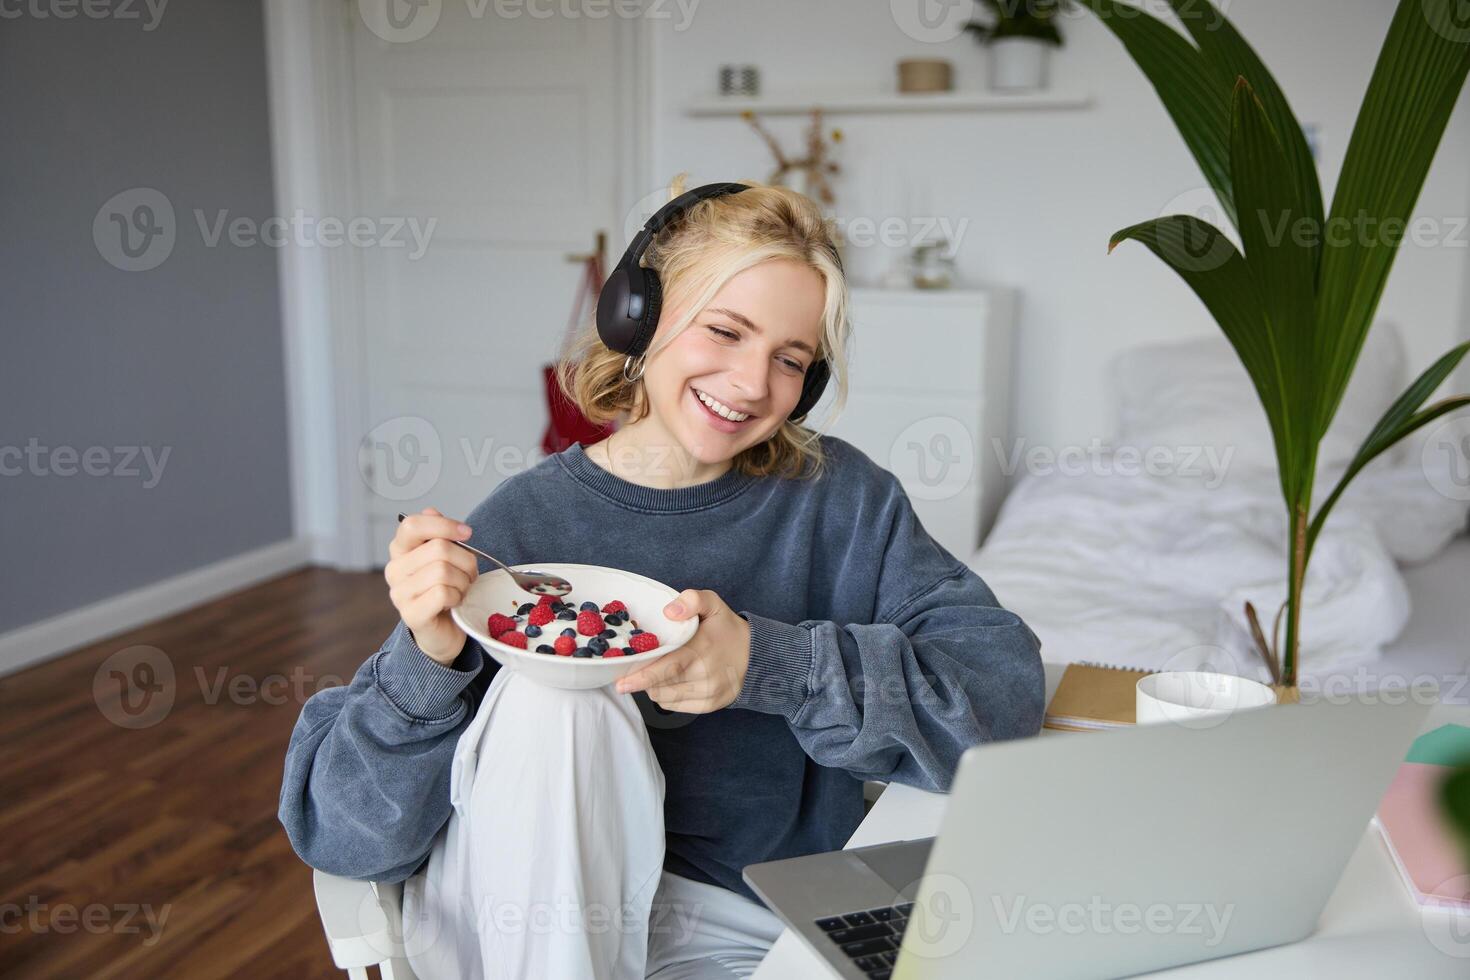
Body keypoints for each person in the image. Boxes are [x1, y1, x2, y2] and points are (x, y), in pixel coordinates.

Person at [278, 173, 1046, 979]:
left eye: (790, 359)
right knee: (560, 699)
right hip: (521, 917)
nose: (753, 384)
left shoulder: (844, 504)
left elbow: (1001, 699)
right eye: (724, 331)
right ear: (638, 316)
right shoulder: (518, 530)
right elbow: (343, 838)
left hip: (741, 918)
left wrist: (770, 664)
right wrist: (427, 661)